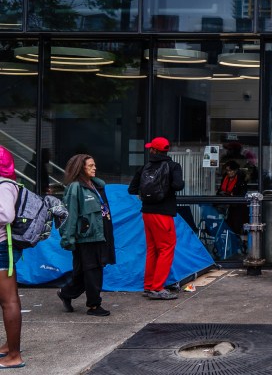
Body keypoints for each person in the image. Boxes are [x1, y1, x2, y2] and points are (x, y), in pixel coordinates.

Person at [58, 154, 116, 317]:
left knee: (85, 272)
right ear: (80, 168)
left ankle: (66, 293)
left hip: (100, 235)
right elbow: (70, 215)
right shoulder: (75, 188)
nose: (94, 168)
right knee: (92, 271)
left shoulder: (97, 186)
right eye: (90, 165)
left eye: (94, 165)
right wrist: (68, 238)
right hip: (86, 237)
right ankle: (94, 305)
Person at [128, 136, 185, 299]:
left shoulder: (144, 167)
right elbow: (178, 185)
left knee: (152, 249)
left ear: (153, 150)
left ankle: (149, 286)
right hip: (163, 213)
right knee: (166, 248)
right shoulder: (173, 166)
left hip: (147, 212)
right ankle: (158, 288)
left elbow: (131, 189)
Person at [0, 147, 24, 368]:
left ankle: (14, 356)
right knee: (8, 299)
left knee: (9, 301)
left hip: (1, 249)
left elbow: (6, 215)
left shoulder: (4, 185)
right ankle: (10, 347)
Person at [216, 160, 247, 234]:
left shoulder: (240, 180)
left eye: (231, 170)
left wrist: (232, 194)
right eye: (227, 170)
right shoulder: (225, 177)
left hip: (235, 205)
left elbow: (241, 193)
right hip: (224, 203)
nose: (229, 172)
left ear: (235, 170)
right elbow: (221, 188)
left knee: (234, 224)